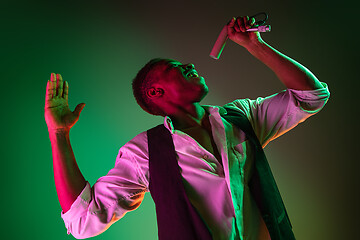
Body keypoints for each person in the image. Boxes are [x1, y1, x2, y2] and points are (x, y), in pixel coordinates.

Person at [45, 16, 330, 240]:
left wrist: (254, 45)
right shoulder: (144, 152)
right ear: (155, 92)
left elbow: (311, 97)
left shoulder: (241, 116)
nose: (189, 64)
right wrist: (59, 134)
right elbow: (83, 221)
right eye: (175, 67)